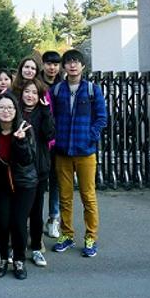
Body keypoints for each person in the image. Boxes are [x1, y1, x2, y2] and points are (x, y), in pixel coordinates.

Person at [50, 49, 107, 258]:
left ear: (82, 66)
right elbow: (51, 117)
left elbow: (102, 118)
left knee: (88, 197)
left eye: (76, 62)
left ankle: (91, 237)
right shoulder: (57, 90)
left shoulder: (93, 90)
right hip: (63, 151)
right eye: (69, 62)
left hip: (86, 152)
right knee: (65, 197)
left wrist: (90, 137)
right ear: (64, 66)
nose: (72, 65)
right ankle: (66, 234)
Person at [0, 91, 37, 280]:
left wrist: (21, 141)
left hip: (24, 184)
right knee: (2, 222)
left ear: (16, 110)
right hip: (0, 184)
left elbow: (27, 160)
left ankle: (19, 259)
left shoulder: (25, 129)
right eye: (1, 107)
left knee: (18, 222)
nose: (6, 111)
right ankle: (2, 258)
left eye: (10, 107)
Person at [19, 79, 55, 268]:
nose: (30, 95)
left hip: (39, 168)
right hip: (18, 168)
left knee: (36, 210)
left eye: (34, 92)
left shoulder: (43, 112)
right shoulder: (15, 110)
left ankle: (35, 247)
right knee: (19, 210)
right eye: (27, 91)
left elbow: (50, 135)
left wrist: (47, 111)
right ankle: (17, 247)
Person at [40, 50, 62, 238]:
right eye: (49, 63)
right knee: (38, 182)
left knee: (56, 181)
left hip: (59, 139)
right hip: (40, 139)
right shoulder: (36, 83)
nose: (52, 67)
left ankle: (53, 219)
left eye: (55, 64)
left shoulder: (63, 85)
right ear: (43, 64)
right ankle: (35, 219)